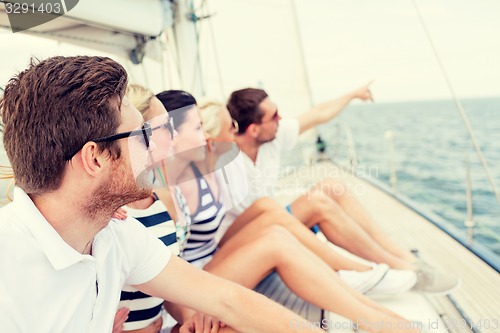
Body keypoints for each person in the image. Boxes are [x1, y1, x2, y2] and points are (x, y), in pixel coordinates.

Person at [0, 56, 326, 333]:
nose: (155, 145)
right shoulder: (9, 269)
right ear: (94, 158)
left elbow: (229, 301)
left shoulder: (113, 233)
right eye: (142, 134)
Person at [157, 90, 424, 333]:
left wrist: (352, 93)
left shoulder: (199, 172)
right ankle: (370, 296)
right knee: (275, 238)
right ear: (170, 136)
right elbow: (163, 274)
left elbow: (317, 115)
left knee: (270, 212)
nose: (207, 136)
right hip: (193, 282)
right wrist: (189, 313)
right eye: (199, 128)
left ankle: (369, 288)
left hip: (211, 261)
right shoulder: (165, 190)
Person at [225, 86, 460, 294]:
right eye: (275, 116)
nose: (281, 119)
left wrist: (352, 95)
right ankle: (401, 269)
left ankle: (405, 259)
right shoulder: (225, 162)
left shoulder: (271, 137)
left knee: (331, 186)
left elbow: (318, 114)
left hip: (273, 219)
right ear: (254, 130)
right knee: (316, 203)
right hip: (244, 238)